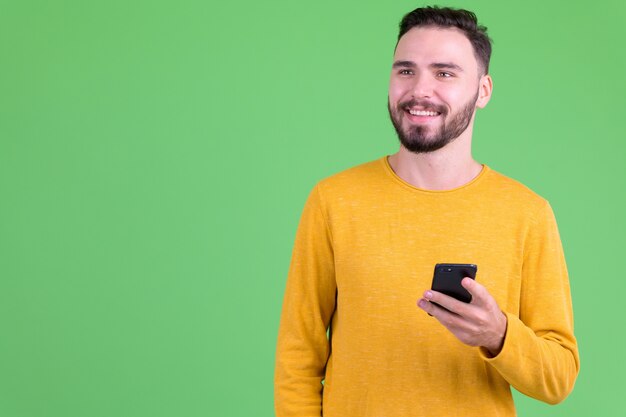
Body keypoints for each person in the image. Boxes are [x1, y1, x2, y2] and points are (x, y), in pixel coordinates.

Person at [274, 6, 579, 417]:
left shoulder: (528, 213)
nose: (420, 89)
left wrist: (498, 334)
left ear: (483, 90)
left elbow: (559, 378)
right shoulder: (334, 200)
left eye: (444, 73)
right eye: (405, 70)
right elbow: (298, 361)